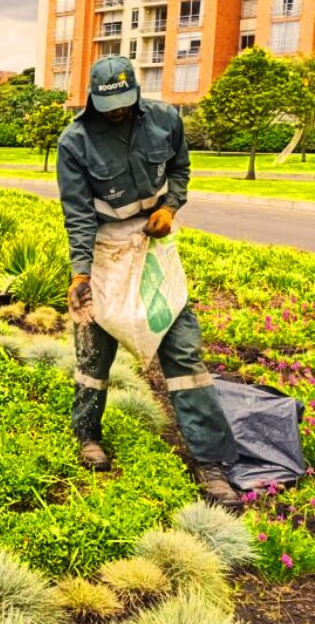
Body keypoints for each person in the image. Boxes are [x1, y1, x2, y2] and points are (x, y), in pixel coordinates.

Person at [56, 56, 241, 508]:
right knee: (93, 353)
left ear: (136, 92)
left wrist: (170, 208)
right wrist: (80, 272)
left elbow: (179, 169)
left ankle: (210, 463)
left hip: (155, 252)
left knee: (182, 350)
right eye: (107, 104)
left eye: (123, 102)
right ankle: (87, 435)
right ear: (92, 99)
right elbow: (78, 214)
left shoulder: (165, 120)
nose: (116, 111)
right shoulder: (75, 142)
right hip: (105, 256)